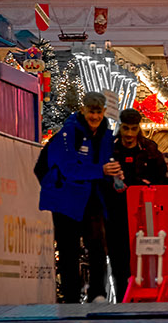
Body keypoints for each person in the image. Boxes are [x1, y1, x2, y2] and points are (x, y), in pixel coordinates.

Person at [38, 91, 118, 302]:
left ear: (104, 111)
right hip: (66, 201)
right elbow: (69, 168)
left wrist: (116, 178)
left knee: (98, 247)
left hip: (91, 199)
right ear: (83, 110)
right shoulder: (68, 135)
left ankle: (98, 293)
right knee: (68, 250)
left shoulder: (105, 136)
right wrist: (101, 171)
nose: (95, 116)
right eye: (91, 111)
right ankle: (71, 298)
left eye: (98, 112)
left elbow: (106, 166)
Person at [105, 106, 168, 302]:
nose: (129, 134)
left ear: (138, 128)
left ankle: (147, 297)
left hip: (145, 214)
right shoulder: (110, 148)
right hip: (116, 213)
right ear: (121, 127)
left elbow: (162, 180)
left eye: (133, 129)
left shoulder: (149, 150)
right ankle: (123, 298)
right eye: (126, 128)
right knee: (119, 259)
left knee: (145, 255)